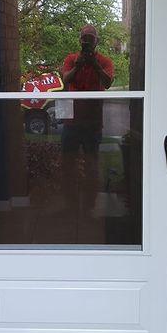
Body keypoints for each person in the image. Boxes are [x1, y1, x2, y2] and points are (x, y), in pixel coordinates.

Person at [59, 24, 114, 216]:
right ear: (80, 40)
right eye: (85, 39)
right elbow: (65, 80)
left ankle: (89, 207)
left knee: (92, 166)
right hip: (71, 122)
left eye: (91, 39)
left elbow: (108, 82)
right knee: (68, 166)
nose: (87, 42)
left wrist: (95, 65)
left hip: (92, 122)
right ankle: (70, 205)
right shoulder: (71, 59)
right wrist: (78, 65)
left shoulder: (104, 61)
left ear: (97, 41)